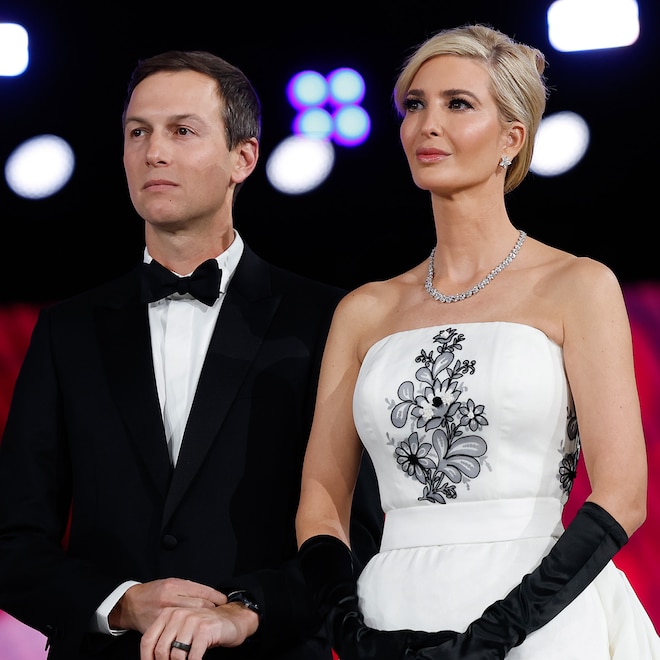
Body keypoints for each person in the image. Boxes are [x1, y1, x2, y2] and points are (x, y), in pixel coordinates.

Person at [0, 50, 383, 660]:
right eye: (138, 132)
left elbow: (360, 529)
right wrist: (120, 603)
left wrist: (247, 611)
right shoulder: (65, 331)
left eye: (182, 131)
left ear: (243, 157)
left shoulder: (325, 320)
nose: (154, 152)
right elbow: (13, 540)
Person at [295, 23, 660, 660]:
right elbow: (321, 503)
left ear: (511, 139)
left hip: (539, 617)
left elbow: (624, 494)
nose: (427, 124)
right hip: (391, 618)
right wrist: (350, 633)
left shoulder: (577, 285)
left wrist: (493, 637)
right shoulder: (365, 310)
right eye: (415, 105)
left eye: (457, 104)